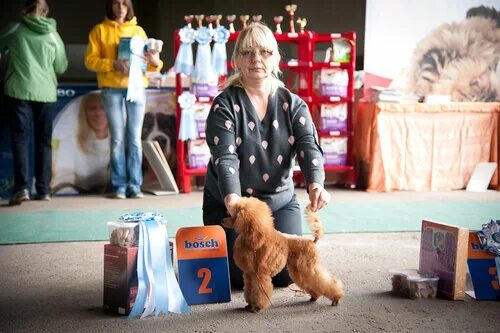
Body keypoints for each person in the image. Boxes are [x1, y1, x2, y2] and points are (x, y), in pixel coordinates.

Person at [202, 23, 331, 289]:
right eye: (247, 52)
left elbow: (308, 146)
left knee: (282, 273)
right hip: (232, 205)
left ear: (276, 58)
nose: (256, 59)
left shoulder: (294, 104)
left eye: (264, 52)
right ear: (236, 59)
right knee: (240, 271)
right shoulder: (223, 105)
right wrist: (233, 203)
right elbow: (225, 157)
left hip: (278, 203)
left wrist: (316, 184)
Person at [84, 0, 163, 199]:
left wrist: (155, 62)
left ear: (129, 7)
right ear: (110, 6)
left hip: (136, 88)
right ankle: (119, 186)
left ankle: (134, 186)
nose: (120, 7)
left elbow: (152, 63)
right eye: (117, 3)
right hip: (111, 89)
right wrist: (113, 64)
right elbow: (90, 60)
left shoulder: (138, 31)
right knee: (118, 139)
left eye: (124, 3)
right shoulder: (99, 31)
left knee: (135, 139)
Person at [0, 0, 68, 206]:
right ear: (46, 12)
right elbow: (62, 65)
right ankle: (44, 190)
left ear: (24, 9)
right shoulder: (52, 35)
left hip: (19, 90)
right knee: (44, 142)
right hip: (46, 93)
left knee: (21, 140)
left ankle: (21, 189)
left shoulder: (15, 28)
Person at [51, 92, 111, 194]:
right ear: (84, 113)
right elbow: (63, 181)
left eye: (103, 108)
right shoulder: (70, 141)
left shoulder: (119, 141)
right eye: (92, 109)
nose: (98, 114)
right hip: (79, 194)